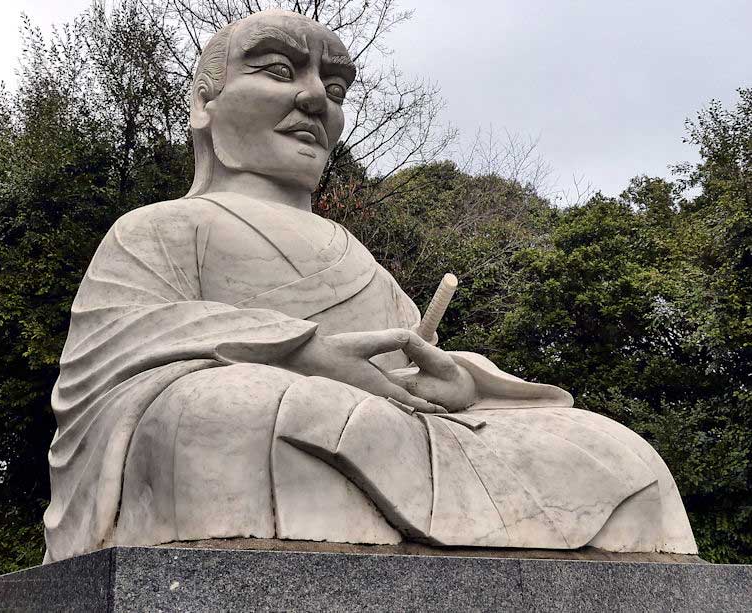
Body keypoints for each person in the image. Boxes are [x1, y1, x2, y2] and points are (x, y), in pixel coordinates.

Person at [43, 9, 696, 562]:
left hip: (403, 429)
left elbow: (405, 365)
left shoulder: (356, 256)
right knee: (220, 413)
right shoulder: (163, 227)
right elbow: (111, 360)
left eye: (335, 87)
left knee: (613, 448)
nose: (314, 99)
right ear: (204, 101)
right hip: (274, 413)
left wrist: (458, 379)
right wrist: (298, 349)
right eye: (278, 71)